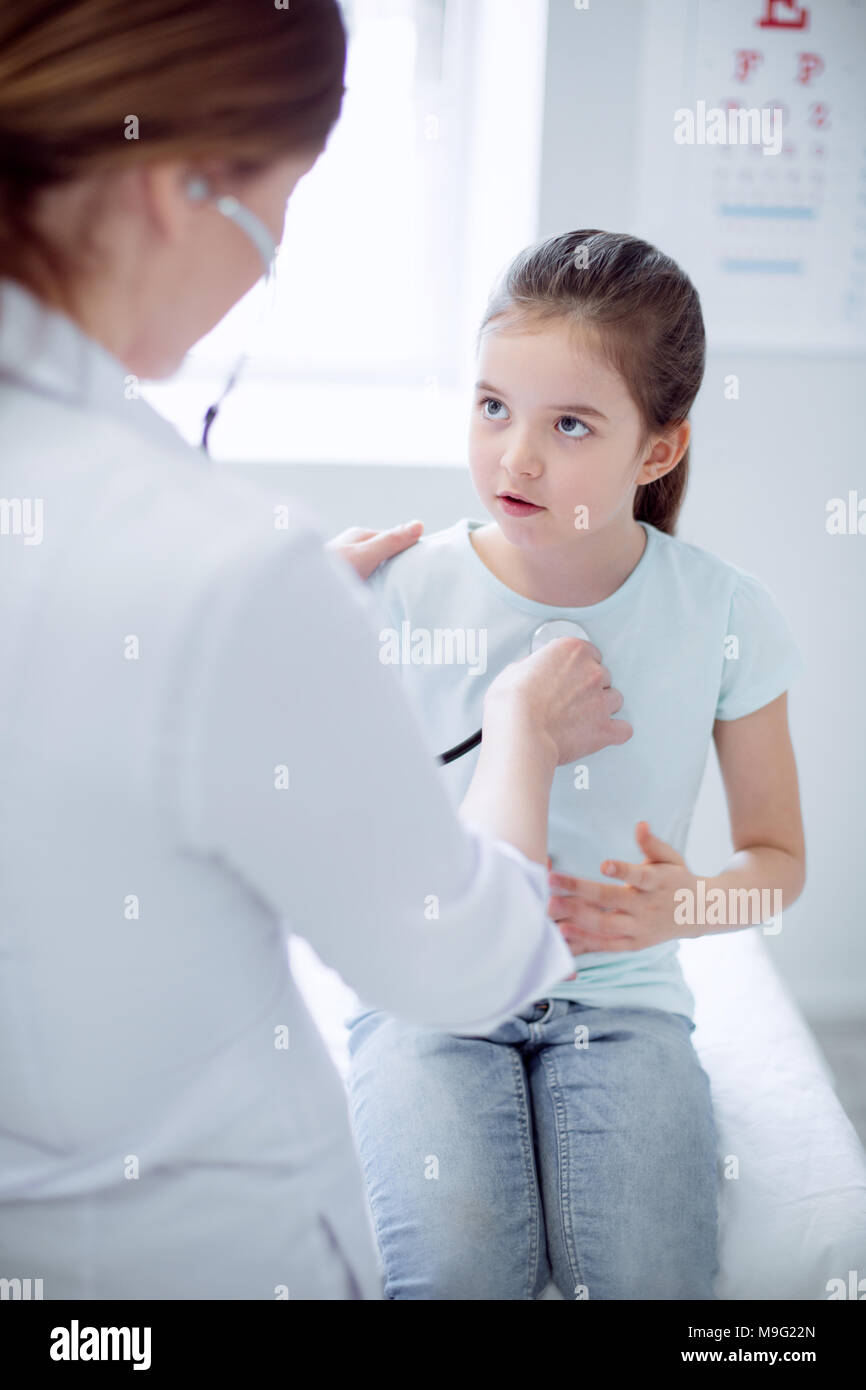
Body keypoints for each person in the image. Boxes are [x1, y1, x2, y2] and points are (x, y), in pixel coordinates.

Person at [0, 2, 630, 1299]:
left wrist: (258, 660)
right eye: (279, 203)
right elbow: (459, 967)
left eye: (570, 422)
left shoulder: (191, 567)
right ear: (177, 185)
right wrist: (518, 735)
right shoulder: (222, 574)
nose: (268, 260)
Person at [345, 229, 807, 1300]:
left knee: (648, 1279)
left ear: (656, 450)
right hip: (431, 992)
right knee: (458, 1269)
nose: (514, 457)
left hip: (621, 1003)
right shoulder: (399, 588)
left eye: (568, 424)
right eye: (491, 405)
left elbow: (776, 859)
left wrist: (679, 908)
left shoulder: (724, 615)